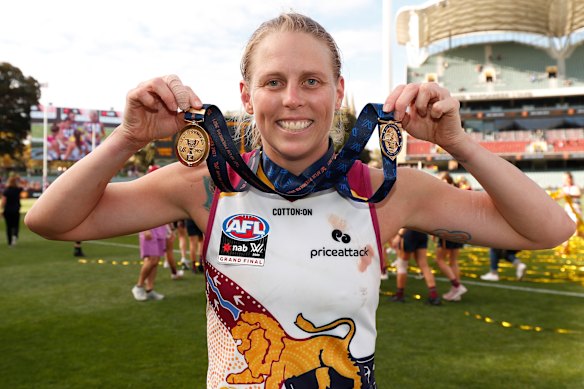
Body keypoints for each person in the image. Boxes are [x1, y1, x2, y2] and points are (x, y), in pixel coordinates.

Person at [25, 12, 574, 388]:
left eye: (312, 81)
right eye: (273, 81)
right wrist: (127, 138)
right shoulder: (206, 183)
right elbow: (51, 221)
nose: (293, 99)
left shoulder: (386, 191)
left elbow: (547, 229)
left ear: (338, 91)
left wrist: (458, 143)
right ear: (245, 95)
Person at [434, 172, 468, 301]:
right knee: (453, 260)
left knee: (440, 259)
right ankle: (456, 291)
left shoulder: (445, 194)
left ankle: (457, 286)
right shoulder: (457, 192)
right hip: (459, 229)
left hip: (448, 230)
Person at [390, 229, 441, 305]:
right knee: (424, 265)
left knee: (402, 264)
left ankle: (399, 294)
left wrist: (399, 235)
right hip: (422, 233)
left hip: (409, 233)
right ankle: (434, 295)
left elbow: (407, 220)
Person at [2, 174, 23, 246]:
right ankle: (15, 236)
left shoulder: (6, 191)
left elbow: (4, 201)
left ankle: (9, 242)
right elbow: (21, 186)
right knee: (16, 225)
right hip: (16, 210)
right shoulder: (18, 190)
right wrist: (18, 179)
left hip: (7, 210)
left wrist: (2, 209)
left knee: (8, 226)